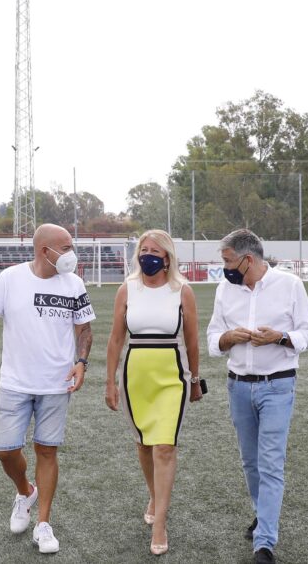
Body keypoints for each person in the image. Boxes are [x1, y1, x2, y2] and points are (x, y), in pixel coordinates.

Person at [0, 223, 95, 554]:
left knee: (47, 451)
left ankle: (43, 524)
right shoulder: (10, 278)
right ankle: (25, 491)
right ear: (44, 251)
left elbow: (85, 330)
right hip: (15, 383)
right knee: (5, 451)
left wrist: (81, 362)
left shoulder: (75, 283)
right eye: (65, 248)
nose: (71, 253)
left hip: (56, 385)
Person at [205, 229, 308, 564]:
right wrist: (228, 337)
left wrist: (279, 337)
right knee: (250, 462)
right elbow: (213, 339)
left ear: (247, 259)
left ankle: (265, 543)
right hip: (238, 386)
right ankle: (262, 513)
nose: (225, 267)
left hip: (278, 386)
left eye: (228, 260)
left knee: (270, 462)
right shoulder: (225, 289)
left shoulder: (290, 285)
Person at [104, 230, 203, 556]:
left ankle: (160, 523)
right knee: (144, 444)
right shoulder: (127, 288)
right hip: (135, 376)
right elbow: (116, 339)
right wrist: (109, 382)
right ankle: (155, 495)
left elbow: (192, 341)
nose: (148, 255)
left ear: (167, 258)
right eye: (143, 250)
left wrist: (196, 380)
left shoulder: (182, 290)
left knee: (164, 446)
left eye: (155, 251)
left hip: (172, 376)